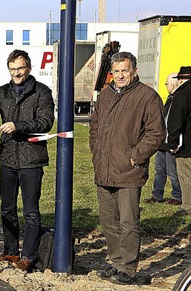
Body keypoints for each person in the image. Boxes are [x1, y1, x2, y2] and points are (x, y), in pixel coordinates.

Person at [0, 49, 55, 271]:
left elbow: (46, 122)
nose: (17, 73)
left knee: (31, 211)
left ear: (29, 68)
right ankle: (10, 252)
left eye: (20, 68)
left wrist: (19, 126)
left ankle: (28, 255)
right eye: (13, 69)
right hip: (7, 158)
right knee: (7, 208)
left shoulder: (42, 92)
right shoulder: (3, 92)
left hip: (31, 160)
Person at [89, 52, 165, 285]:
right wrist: (96, 152)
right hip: (105, 168)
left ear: (134, 71)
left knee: (128, 222)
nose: (120, 75)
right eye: (117, 71)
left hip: (129, 171)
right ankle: (116, 262)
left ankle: (128, 268)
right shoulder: (105, 95)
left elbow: (156, 133)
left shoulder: (147, 96)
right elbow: (94, 127)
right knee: (108, 220)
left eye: (125, 70)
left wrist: (135, 156)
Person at [145, 72, 182, 205]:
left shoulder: (179, 99)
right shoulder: (170, 98)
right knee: (159, 170)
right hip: (162, 142)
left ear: (172, 85)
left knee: (172, 172)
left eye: (167, 84)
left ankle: (177, 196)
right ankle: (157, 195)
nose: (166, 86)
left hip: (171, 142)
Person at [167, 66, 191, 212]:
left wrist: (173, 142)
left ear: (181, 79)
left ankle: (187, 205)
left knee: (186, 176)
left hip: (186, 145)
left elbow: (176, 121)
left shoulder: (182, 94)